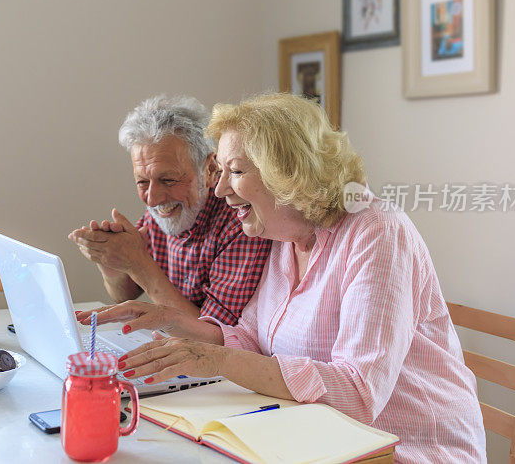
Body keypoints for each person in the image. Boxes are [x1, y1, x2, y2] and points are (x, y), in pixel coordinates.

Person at [78, 93, 487, 463]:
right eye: (219, 171)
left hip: (402, 451)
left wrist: (216, 359)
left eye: (234, 171)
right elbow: (250, 337)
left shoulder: (377, 231)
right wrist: (170, 322)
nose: (219, 190)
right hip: (316, 441)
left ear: (286, 173)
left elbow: (359, 392)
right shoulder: (283, 236)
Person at [68, 94, 271, 325]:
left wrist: (138, 262)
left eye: (169, 180)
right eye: (142, 182)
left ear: (210, 169)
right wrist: (111, 264)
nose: (153, 199)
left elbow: (213, 333)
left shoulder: (240, 221)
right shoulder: (161, 213)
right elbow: (123, 294)